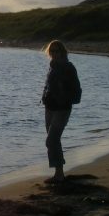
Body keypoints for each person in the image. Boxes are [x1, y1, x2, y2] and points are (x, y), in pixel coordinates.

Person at [41, 40, 81, 184]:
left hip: (62, 108)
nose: (54, 53)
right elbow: (49, 86)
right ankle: (59, 174)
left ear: (63, 52)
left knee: (51, 140)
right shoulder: (52, 66)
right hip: (49, 106)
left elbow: (76, 89)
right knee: (54, 141)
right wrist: (44, 97)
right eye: (52, 51)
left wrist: (64, 98)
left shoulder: (68, 67)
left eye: (57, 51)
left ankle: (59, 173)